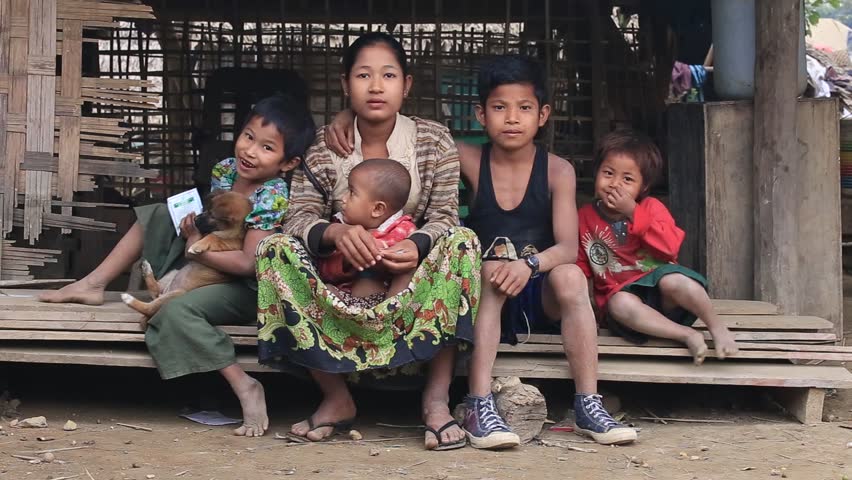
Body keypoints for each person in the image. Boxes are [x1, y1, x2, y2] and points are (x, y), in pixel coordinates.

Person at [39, 94, 317, 437]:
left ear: (288, 163)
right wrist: (193, 231)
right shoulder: (225, 171)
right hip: (204, 260)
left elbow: (248, 262)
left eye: (267, 147)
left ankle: (245, 385)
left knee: (173, 312)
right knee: (158, 213)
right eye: (248, 136)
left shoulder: (272, 194)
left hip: (241, 287)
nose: (250, 151)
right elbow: (213, 227)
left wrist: (195, 249)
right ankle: (94, 283)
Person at [255, 32, 480, 451]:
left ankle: (435, 400)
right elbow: (298, 216)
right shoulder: (324, 145)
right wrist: (335, 232)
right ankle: (336, 398)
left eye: (388, 75)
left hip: (411, 292)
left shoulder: (433, 140)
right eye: (363, 75)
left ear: (406, 85)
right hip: (337, 296)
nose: (376, 87)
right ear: (345, 84)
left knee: (463, 242)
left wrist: (418, 246)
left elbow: (446, 215)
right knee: (273, 249)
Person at [451, 55, 637, 449]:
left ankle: (588, 403)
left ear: (543, 114)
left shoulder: (557, 170)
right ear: (481, 114)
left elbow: (569, 248)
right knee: (492, 268)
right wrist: (348, 118)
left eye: (524, 108)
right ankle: (478, 403)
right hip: (487, 294)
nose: (512, 118)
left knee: (571, 276)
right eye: (500, 108)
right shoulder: (468, 157)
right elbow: (411, 131)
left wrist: (530, 264)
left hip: (539, 295)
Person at [576, 129, 739, 364]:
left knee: (675, 280)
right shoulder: (584, 216)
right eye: (608, 173)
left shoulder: (651, 207)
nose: (615, 184)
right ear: (596, 173)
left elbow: (670, 248)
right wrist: (590, 309)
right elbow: (582, 265)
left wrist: (632, 212)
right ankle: (687, 335)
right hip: (628, 309)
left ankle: (716, 327)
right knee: (619, 303)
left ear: (643, 187)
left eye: (627, 179)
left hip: (663, 297)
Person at [317, 158, 418, 301]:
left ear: (377, 209)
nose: (343, 199)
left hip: (387, 300)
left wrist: (383, 254)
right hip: (347, 305)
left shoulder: (403, 229)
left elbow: (411, 261)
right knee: (326, 288)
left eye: (351, 192)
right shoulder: (340, 228)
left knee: (407, 271)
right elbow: (325, 271)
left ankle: (394, 314)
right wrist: (346, 259)